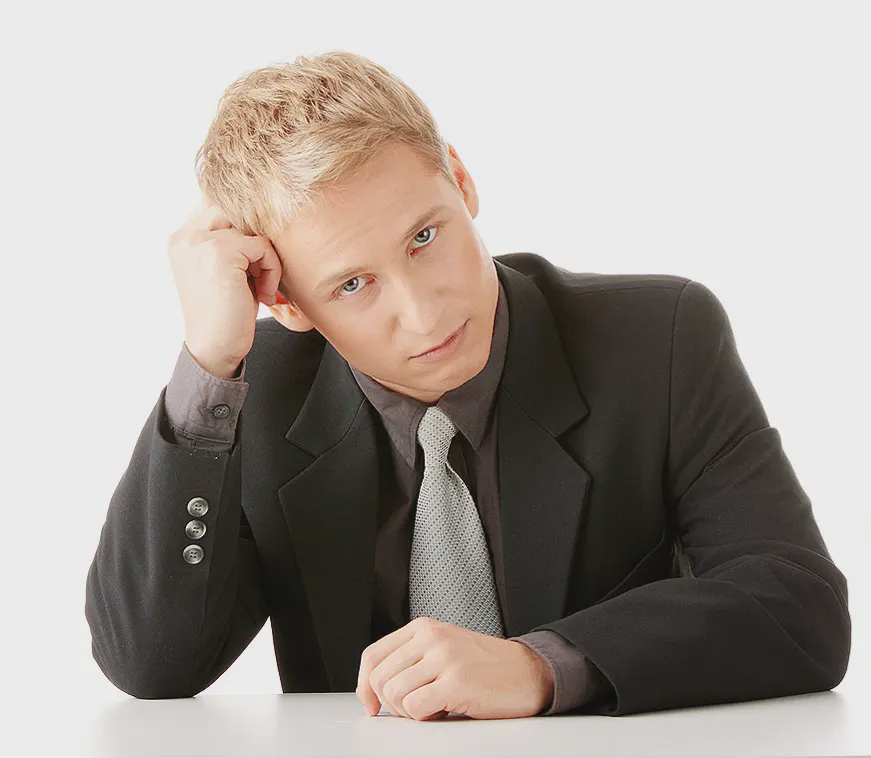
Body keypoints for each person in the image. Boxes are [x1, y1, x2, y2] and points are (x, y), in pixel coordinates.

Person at [85, 50, 850, 721]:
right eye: (352, 284)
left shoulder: (658, 339)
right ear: (285, 302)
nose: (424, 315)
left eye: (424, 237)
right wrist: (209, 365)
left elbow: (798, 604)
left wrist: (544, 665)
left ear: (461, 180)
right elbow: (150, 664)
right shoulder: (257, 397)